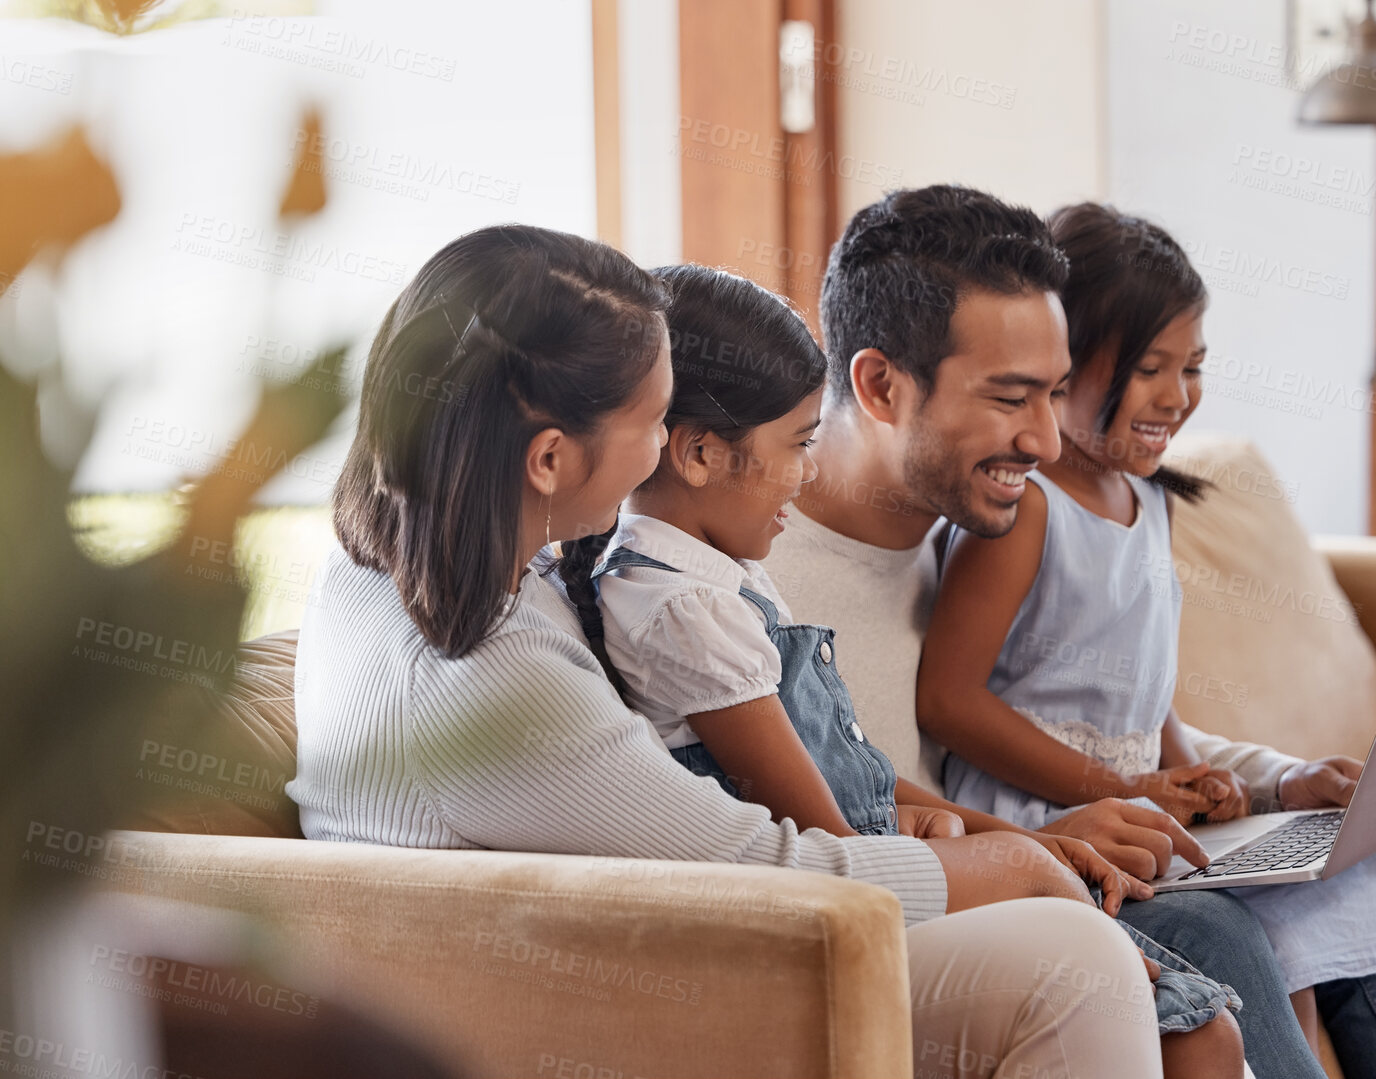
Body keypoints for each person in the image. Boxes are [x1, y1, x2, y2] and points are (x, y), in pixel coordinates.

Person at [286, 223, 1167, 1078]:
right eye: (654, 419)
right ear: (550, 458)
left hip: (573, 963)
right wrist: (1015, 857)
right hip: (561, 1014)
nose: (666, 454)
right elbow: (775, 870)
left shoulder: (387, 565)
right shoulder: (490, 678)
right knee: (1073, 959)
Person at [560, 262, 1243, 1076]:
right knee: (1194, 1026)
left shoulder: (722, 565)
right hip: (852, 912)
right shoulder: (682, 607)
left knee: (1205, 1030)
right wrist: (1012, 858)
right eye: (798, 444)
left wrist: (1018, 839)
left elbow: (851, 766)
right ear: (701, 452)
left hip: (887, 866)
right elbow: (828, 844)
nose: (809, 471)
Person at [759, 184, 1332, 1079]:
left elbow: (1116, 712)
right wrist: (1038, 838)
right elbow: (817, 830)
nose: (1047, 442)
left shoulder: (981, 529)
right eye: (1010, 397)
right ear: (879, 385)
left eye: (1056, 393)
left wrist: (1271, 780)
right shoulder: (756, 580)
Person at [918, 201, 1376, 1077]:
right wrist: (1124, 784)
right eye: (1148, 367)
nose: (1176, 396)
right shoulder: (1029, 509)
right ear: (1062, 363)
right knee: (1254, 918)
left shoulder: (1148, 501)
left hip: (1146, 815)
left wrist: (1217, 776)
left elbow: (1136, 699)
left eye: (1191, 367)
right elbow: (948, 699)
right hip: (1061, 827)